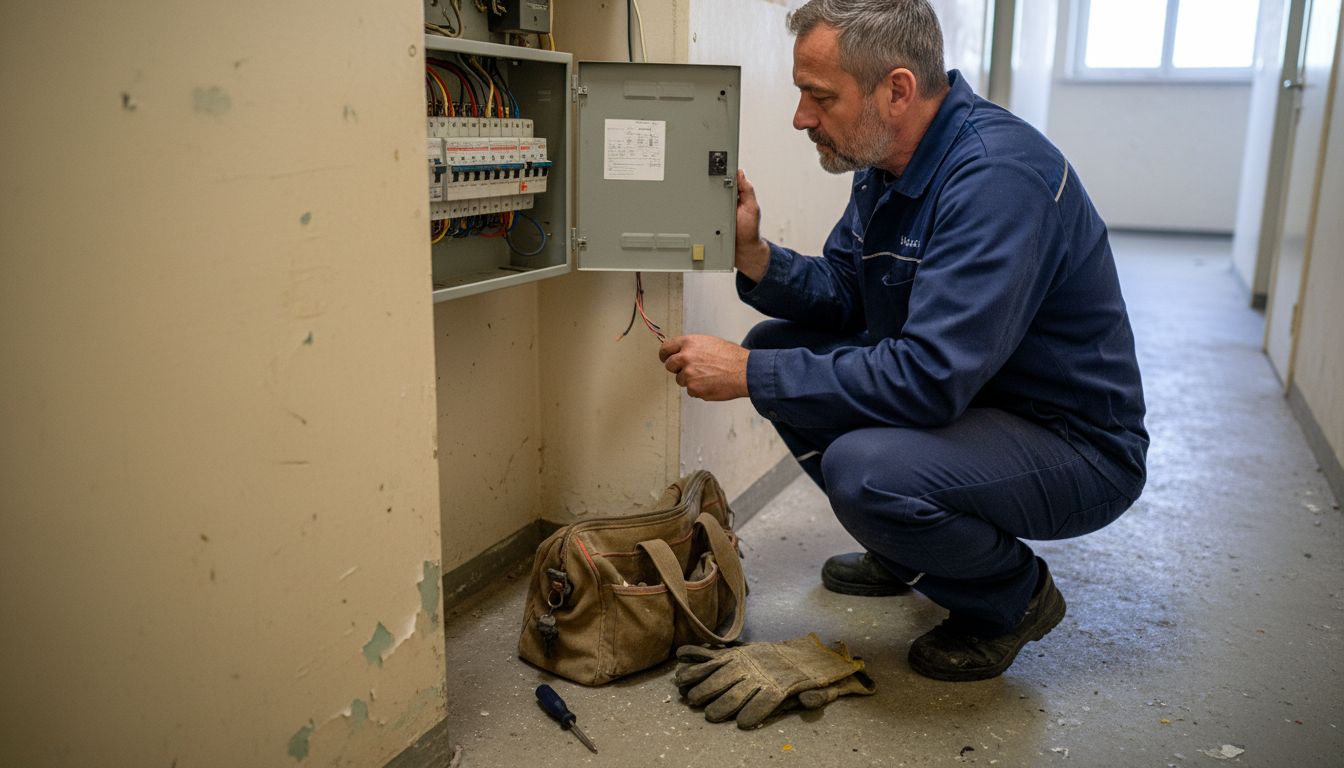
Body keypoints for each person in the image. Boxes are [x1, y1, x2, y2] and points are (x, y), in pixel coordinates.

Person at [657, 0, 1148, 682]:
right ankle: (915, 547)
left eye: (819, 97)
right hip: (979, 404)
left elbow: (928, 378)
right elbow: (849, 295)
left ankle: (1010, 597)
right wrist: (756, 256)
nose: (802, 118)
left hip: (1070, 445)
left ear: (896, 89)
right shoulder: (887, 158)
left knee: (867, 470)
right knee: (777, 345)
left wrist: (749, 374)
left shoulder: (997, 180)